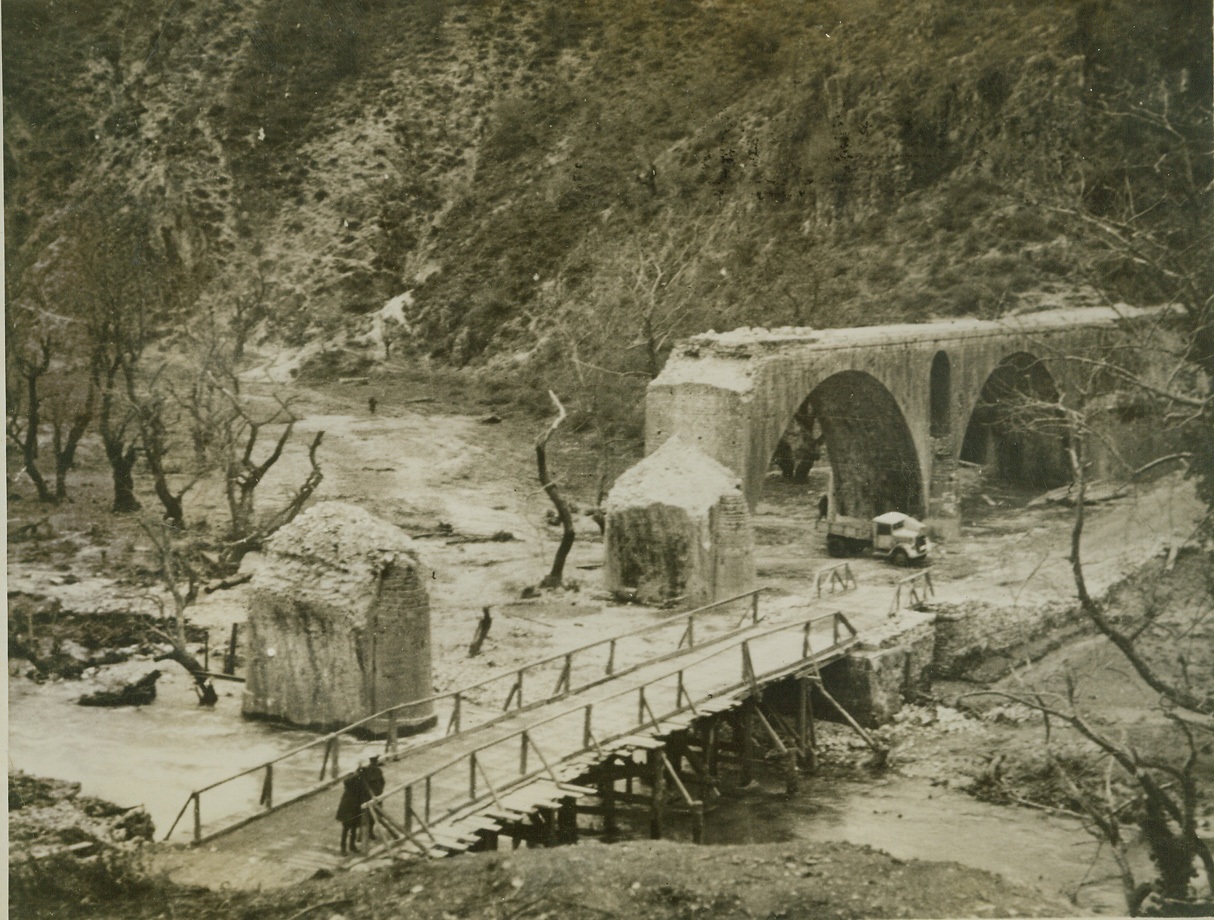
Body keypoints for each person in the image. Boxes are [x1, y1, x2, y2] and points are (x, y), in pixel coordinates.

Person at [336, 771, 364, 855]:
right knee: (346, 829)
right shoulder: (351, 788)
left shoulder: (352, 788)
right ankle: (344, 848)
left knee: (353, 829)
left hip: (354, 809)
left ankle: (351, 846)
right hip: (348, 810)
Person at [362, 756, 386, 841]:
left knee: (375, 815)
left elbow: (383, 781)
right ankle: (363, 834)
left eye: (375, 762)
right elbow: (365, 785)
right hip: (368, 796)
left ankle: (370, 831)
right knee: (366, 815)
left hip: (378, 795)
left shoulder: (378, 770)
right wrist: (371, 794)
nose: (374, 764)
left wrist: (380, 791)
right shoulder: (366, 771)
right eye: (373, 762)